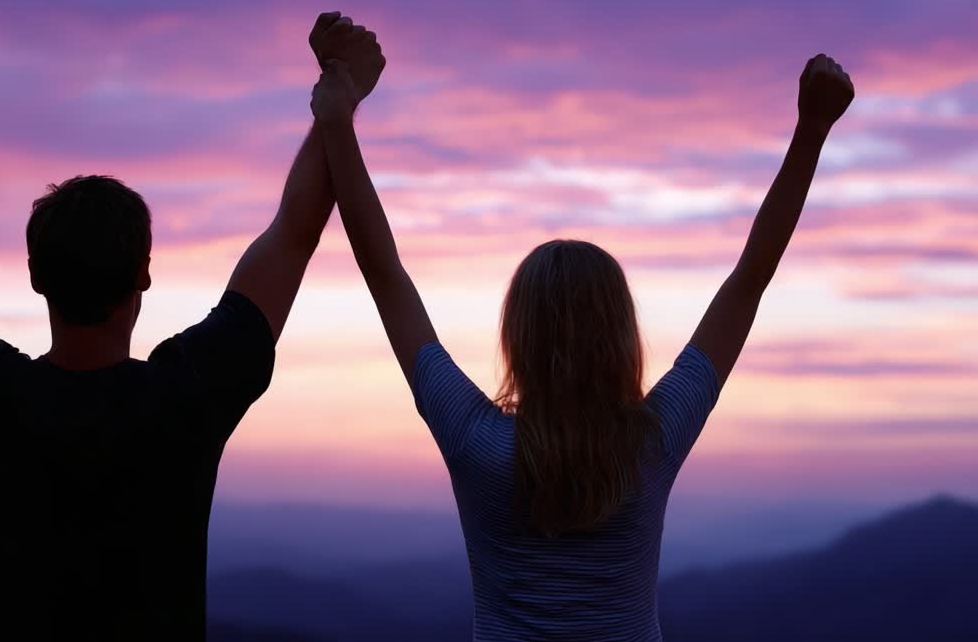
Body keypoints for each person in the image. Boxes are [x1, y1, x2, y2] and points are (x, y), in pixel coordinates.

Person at [0, 13, 383, 640]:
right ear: (144, 274)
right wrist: (337, 103)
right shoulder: (187, 394)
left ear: (35, 275)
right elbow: (293, 237)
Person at [311, 52, 854, 640]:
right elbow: (750, 278)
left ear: (518, 336)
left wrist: (338, 118)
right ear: (620, 335)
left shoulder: (476, 441)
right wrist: (812, 130)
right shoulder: (653, 440)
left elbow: (384, 272)